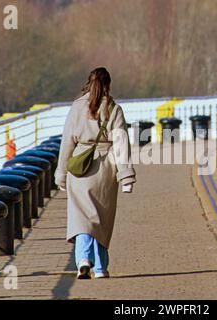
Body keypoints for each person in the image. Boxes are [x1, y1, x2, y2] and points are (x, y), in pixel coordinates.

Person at [55, 67, 136, 280]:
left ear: (88, 83)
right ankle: (100, 268)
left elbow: (66, 143)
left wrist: (61, 174)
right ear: (108, 84)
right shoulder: (114, 109)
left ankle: (82, 259)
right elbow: (121, 144)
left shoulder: (76, 107)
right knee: (101, 219)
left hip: (79, 169)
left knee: (81, 218)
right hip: (106, 169)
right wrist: (126, 176)